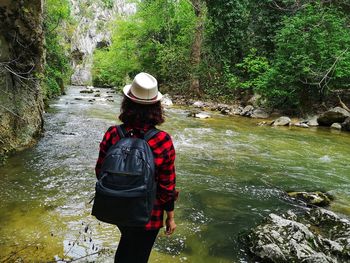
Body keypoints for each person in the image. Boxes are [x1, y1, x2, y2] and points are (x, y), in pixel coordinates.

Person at [95, 72, 178, 263]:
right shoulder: (162, 140)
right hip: (149, 213)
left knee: (127, 246)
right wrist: (170, 217)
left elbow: (100, 171)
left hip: (117, 207)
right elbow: (167, 186)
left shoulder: (113, 133)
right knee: (137, 256)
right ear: (156, 107)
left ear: (127, 103)